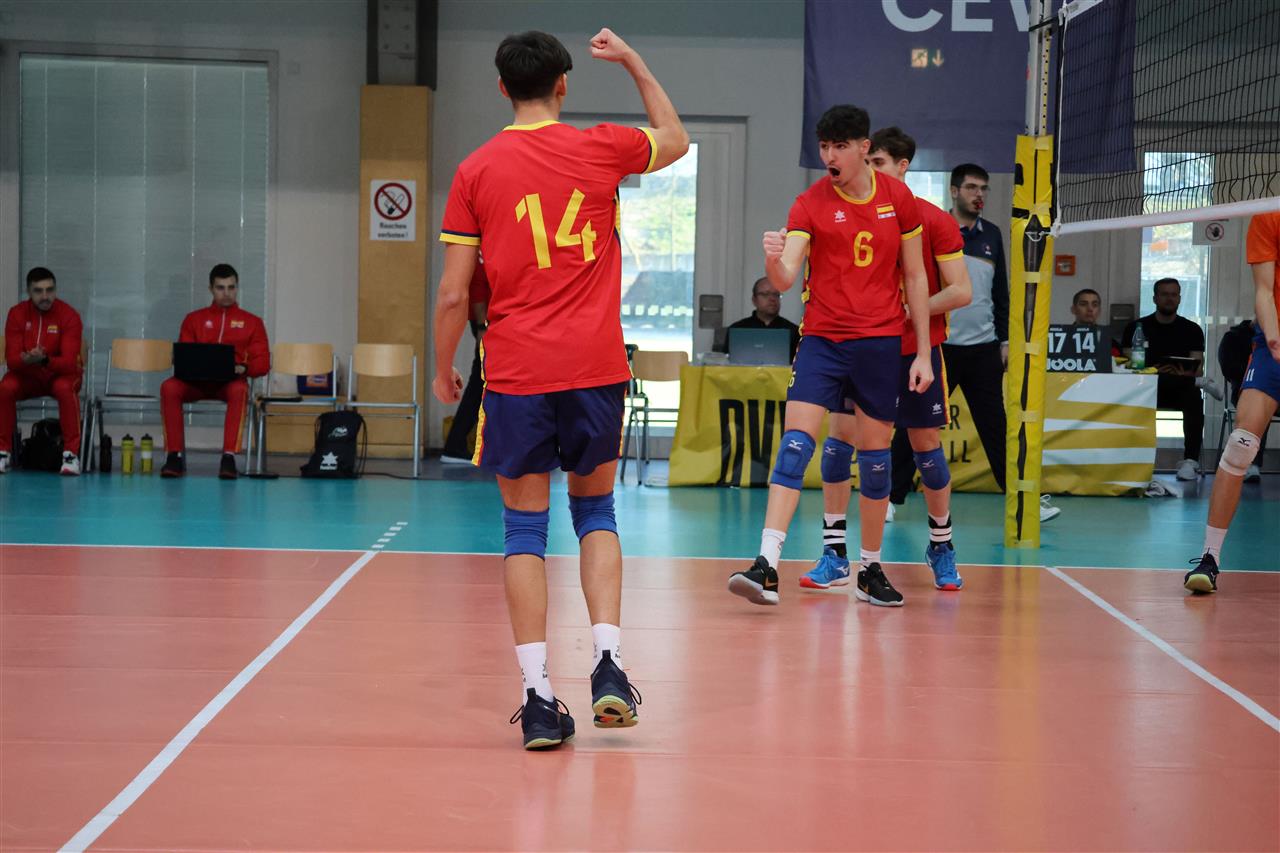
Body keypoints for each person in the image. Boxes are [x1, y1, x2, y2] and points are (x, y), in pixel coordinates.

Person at [432, 28, 688, 749]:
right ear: (564, 84)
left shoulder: (476, 170)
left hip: (518, 371)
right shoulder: (602, 146)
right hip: (595, 368)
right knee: (596, 510)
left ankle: (539, 696)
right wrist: (634, 60)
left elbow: (453, 294)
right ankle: (608, 665)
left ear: (501, 87)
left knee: (523, 530)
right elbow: (674, 139)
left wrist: (444, 367)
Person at [726, 104, 933, 609]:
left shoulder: (898, 199)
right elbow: (785, 278)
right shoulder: (810, 203)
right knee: (795, 446)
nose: (830, 156)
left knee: (877, 461)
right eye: (824, 146)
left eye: (840, 146)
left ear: (864, 148)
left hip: (880, 343)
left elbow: (915, 276)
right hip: (822, 340)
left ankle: (870, 569)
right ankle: (766, 564)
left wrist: (924, 352)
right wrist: (772, 257)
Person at [800, 126, 972, 594]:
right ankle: (835, 553)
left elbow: (961, 290)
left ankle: (941, 545)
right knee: (839, 444)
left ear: (902, 166)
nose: (867, 170)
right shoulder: (843, 210)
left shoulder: (931, 219)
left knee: (926, 451)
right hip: (855, 346)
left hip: (912, 349)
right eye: (867, 161)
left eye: (877, 163)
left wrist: (910, 310)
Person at [942, 163, 1060, 522]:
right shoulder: (937, 230)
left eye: (984, 188)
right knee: (917, 425)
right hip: (941, 347)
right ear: (954, 191)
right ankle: (890, 498)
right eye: (971, 187)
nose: (979, 194)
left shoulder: (992, 234)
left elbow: (1001, 293)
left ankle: (1021, 499)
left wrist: (1006, 341)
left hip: (984, 351)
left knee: (996, 428)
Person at [1184, 212, 1280, 592]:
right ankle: (1209, 558)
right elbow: (1264, 291)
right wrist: (1274, 341)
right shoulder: (1270, 215)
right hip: (1272, 345)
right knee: (1240, 445)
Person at [159, 263, 269, 479]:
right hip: (195, 383)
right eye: (220, 288)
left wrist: (244, 367)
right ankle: (174, 456)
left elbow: (263, 363)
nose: (226, 293)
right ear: (211, 289)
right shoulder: (194, 319)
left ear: (237, 288)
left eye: (231, 287)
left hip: (230, 382)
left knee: (240, 390)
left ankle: (228, 457)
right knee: (169, 387)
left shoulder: (253, 323)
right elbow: (185, 355)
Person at [1121, 278, 1212, 481]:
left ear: (1179, 298)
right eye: (1164, 294)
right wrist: (1159, 371)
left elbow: (1197, 369)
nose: (1169, 299)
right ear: (1155, 298)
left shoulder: (1192, 329)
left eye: (1173, 294)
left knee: (1194, 398)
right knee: (1184, 384)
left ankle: (1190, 461)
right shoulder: (1136, 328)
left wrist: (1179, 373)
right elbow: (1128, 366)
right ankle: (1131, 459)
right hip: (1144, 391)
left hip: (1180, 392)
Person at [0, 267, 83, 475]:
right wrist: (26, 359)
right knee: (6, 387)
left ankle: (71, 455)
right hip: (29, 375)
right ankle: (3, 451)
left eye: (50, 290)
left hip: (59, 375)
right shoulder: (17, 314)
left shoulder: (69, 315)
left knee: (65, 388)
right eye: (38, 291)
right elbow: (12, 361)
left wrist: (45, 360)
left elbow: (69, 364)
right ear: (29, 292)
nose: (45, 296)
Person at [440, 257, 490, 464]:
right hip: (488, 321)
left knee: (482, 381)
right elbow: (477, 287)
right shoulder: (481, 251)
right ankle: (455, 444)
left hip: (491, 318)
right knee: (480, 381)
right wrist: (482, 326)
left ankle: (456, 443)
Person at [1219, 318, 1269, 482]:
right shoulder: (1234, 337)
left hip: (1273, 388)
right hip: (1245, 389)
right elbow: (1229, 369)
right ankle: (1251, 463)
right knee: (1259, 404)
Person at [724, 277, 801, 361]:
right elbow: (724, 364)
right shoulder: (737, 329)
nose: (772, 299)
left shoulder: (794, 331)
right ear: (754, 300)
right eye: (765, 294)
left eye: (776, 294)